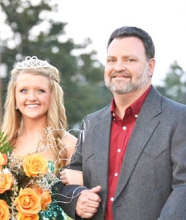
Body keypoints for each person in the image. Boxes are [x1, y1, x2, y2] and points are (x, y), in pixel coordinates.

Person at [58, 26, 186, 220]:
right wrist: (77, 200)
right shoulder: (91, 123)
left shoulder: (178, 118)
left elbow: (183, 186)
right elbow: (70, 178)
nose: (118, 67)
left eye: (130, 59)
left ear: (150, 66)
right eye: (111, 60)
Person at [0, 56, 82, 219]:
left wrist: (83, 180)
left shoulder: (68, 144)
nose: (32, 97)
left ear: (52, 96)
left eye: (40, 90)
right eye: (24, 90)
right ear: (15, 98)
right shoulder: (3, 143)